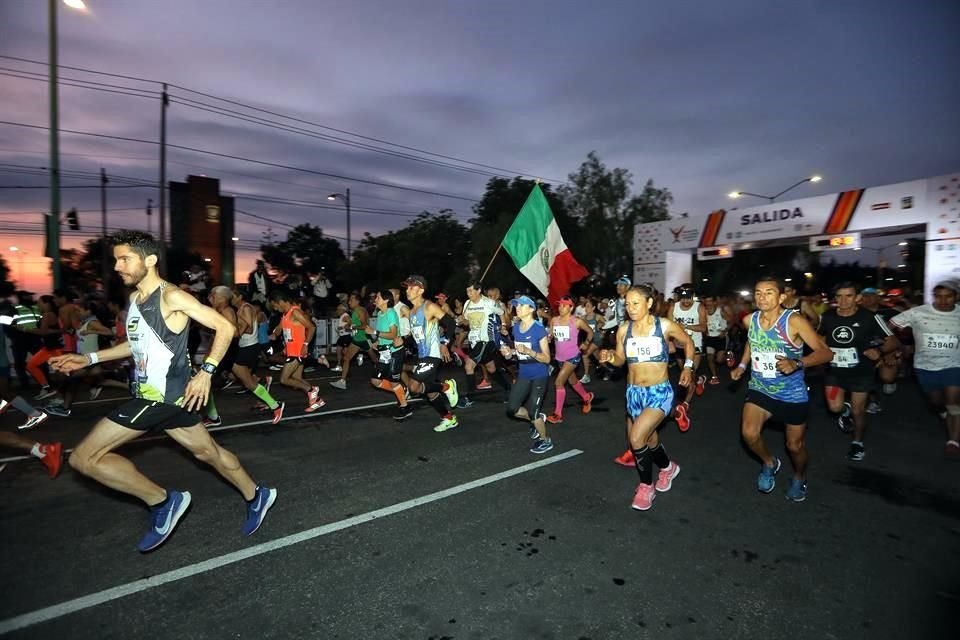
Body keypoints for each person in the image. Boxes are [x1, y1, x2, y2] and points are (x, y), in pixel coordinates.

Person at [50, 230, 277, 552]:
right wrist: (88, 358)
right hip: (170, 398)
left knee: (85, 458)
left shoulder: (172, 296)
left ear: (150, 259)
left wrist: (206, 373)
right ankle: (258, 495)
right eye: (116, 260)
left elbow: (225, 328)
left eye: (125, 259)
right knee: (207, 452)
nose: (118, 267)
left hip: (158, 398)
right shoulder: (135, 300)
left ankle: (161, 501)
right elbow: (136, 345)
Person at [730, 276, 833, 502]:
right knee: (749, 433)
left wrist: (797, 363)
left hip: (791, 393)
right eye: (758, 292)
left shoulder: (794, 321)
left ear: (781, 297)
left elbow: (826, 352)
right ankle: (769, 462)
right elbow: (752, 342)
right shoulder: (749, 320)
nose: (762, 297)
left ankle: (799, 476)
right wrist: (742, 364)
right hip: (760, 387)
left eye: (768, 292)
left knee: (794, 446)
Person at [598, 284, 694, 510]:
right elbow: (621, 360)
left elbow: (688, 342)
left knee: (636, 438)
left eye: (635, 303)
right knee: (650, 440)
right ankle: (668, 468)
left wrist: (688, 367)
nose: (630, 308)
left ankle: (645, 486)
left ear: (649, 303)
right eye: (627, 304)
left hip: (659, 392)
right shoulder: (624, 330)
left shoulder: (664, 325)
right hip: (633, 394)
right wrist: (610, 356)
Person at [817, 282, 897, 461]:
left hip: (861, 371)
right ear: (835, 298)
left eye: (849, 296)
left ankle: (857, 443)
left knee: (859, 411)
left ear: (857, 298)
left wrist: (879, 351)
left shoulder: (869, 317)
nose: (844, 301)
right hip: (835, 371)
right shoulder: (827, 316)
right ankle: (844, 411)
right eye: (839, 296)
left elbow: (892, 341)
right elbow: (819, 339)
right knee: (834, 407)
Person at [889, 280, 960, 456]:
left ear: (956, 297)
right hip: (925, 366)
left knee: (954, 403)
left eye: (948, 296)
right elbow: (890, 325)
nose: (943, 301)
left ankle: (953, 441)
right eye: (939, 296)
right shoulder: (918, 313)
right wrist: (900, 344)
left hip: (954, 365)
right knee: (935, 402)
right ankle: (942, 411)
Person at [399, 275, 459, 432]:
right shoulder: (412, 312)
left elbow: (451, 323)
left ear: (421, 290)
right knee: (430, 392)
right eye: (407, 287)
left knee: (413, 386)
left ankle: (447, 386)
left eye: (411, 287)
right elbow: (418, 336)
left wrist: (444, 343)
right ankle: (449, 418)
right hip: (422, 356)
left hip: (432, 355)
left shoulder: (429, 306)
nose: (408, 290)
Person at [501, 295, 554, 454]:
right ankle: (535, 420)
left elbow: (546, 358)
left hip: (539, 373)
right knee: (512, 409)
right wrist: (509, 353)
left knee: (533, 411)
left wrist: (530, 352)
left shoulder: (538, 329)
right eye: (517, 305)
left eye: (522, 305)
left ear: (531, 309)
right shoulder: (516, 328)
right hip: (523, 372)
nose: (518, 308)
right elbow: (518, 351)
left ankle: (545, 440)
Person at [225, 287, 285, 423]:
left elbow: (250, 327)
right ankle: (269, 399)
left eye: (233, 296)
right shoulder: (241, 308)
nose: (231, 299)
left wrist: (235, 331)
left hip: (249, 347)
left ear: (240, 297)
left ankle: (275, 404)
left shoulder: (245, 308)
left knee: (244, 379)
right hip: (246, 347)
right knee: (246, 379)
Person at [269, 289, 325, 413]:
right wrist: (273, 335)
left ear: (280, 302)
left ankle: (311, 390)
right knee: (297, 378)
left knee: (284, 379)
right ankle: (317, 399)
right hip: (291, 351)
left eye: (275, 305)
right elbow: (279, 328)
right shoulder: (285, 314)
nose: (275, 308)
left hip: (298, 351)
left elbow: (311, 327)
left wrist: (305, 344)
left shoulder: (295, 312)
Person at [457, 282, 511, 408]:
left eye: (471, 291)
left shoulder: (488, 303)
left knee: (469, 366)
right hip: (474, 340)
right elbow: (466, 322)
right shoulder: (467, 304)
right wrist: (461, 321)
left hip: (487, 340)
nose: (468, 294)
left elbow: (501, 312)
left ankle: (470, 397)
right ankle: (508, 388)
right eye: (467, 291)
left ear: (478, 290)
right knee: (491, 368)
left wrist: (503, 326)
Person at [545, 295, 594, 423]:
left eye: (564, 305)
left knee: (559, 382)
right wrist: (549, 337)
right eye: (559, 305)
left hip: (573, 356)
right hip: (559, 357)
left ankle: (558, 414)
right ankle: (587, 397)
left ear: (571, 308)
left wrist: (587, 343)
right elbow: (550, 334)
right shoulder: (554, 320)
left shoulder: (577, 321)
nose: (560, 307)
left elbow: (590, 332)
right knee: (572, 381)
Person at [369, 290, 412, 420]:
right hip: (384, 352)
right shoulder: (380, 314)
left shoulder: (391, 313)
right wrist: (377, 342)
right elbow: (384, 333)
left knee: (394, 382)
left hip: (395, 352)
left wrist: (374, 332)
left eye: (377, 297)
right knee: (375, 381)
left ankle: (405, 407)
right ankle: (401, 391)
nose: (375, 299)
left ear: (386, 300)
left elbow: (393, 334)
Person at [669, 285, 707, 428]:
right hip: (678, 346)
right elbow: (668, 326)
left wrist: (685, 326)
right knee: (685, 373)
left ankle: (685, 404)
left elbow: (704, 327)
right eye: (683, 298)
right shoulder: (674, 307)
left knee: (689, 374)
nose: (686, 301)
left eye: (689, 298)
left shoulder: (699, 308)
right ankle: (700, 379)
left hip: (694, 345)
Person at [329, 292, 377, 390]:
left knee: (375, 360)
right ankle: (342, 381)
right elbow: (356, 326)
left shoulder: (360, 310)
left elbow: (364, 326)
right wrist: (350, 327)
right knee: (346, 358)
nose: (349, 302)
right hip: (357, 339)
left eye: (351, 300)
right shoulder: (355, 311)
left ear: (357, 301)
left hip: (364, 339)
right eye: (349, 300)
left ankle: (386, 374)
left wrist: (350, 326)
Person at [701, 294, 731, 385]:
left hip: (720, 338)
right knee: (710, 358)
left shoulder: (720, 311)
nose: (708, 303)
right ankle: (714, 377)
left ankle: (728, 356)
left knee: (719, 360)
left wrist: (724, 331)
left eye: (710, 301)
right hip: (710, 338)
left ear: (714, 302)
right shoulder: (703, 312)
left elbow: (730, 321)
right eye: (706, 301)